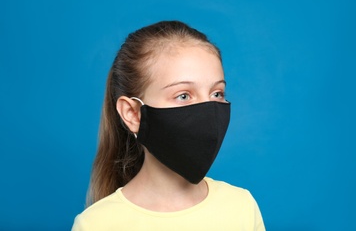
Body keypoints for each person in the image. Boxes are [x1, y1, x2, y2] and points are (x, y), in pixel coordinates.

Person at [72, 20, 265, 230]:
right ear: (133, 114)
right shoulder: (95, 224)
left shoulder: (241, 207)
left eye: (216, 93)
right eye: (183, 95)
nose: (207, 110)